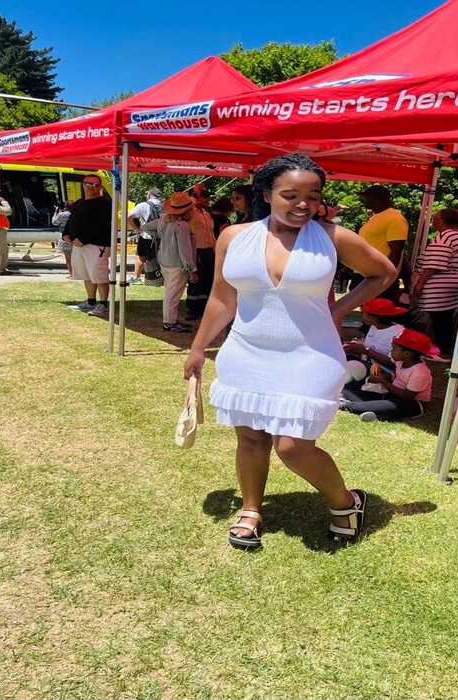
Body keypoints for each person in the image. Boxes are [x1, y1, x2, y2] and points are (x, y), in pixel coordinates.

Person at [183, 153, 396, 550]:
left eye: (313, 197)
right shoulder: (234, 236)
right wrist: (198, 349)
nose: (303, 205)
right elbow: (222, 298)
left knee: (293, 446)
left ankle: (346, 502)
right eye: (291, 195)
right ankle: (251, 509)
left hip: (311, 353)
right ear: (267, 193)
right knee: (250, 438)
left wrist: (339, 310)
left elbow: (383, 273)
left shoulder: (333, 236)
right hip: (246, 351)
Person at [412, 208, 458, 361]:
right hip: (457, 280)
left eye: (434, 219)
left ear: (441, 222)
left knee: (441, 319)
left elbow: (435, 264)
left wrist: (420, 282)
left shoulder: (445, 237)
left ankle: (442, 351)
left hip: (442, 284)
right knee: (445, 318)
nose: (432, 221)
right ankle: (442, 348)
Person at [340, 329, 433, 422]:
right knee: (348, 388)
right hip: (391, 394)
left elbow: (407, 396)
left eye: (393, 349)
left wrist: (383, 381)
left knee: (397, 405)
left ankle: (346, 405)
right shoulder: (401, 361)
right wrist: (387, 377)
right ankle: (374, 411)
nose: (391, 351)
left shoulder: (420, 373)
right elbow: (399, 374)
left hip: (411, 403)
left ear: (407, 354)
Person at [139, 192, 198, 333]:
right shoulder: (182, 225)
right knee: (173, 296)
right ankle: (169, 322)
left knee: (170, 293)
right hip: (177, 264)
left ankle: (171, 320)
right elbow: (184, 249)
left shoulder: (164, 220)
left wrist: (159, 236)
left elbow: (145, 227)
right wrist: (192, 269)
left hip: (164, 261)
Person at [63, 175, 112, 317]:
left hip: (97, 246)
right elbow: (71, 220)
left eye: (95, 184)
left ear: (100, 187)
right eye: (88, 184)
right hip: (78, 246)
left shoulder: (105, 204)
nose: (91, 187)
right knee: (87, 275)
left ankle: (103, 304)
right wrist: (65, 234)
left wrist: (83, 239)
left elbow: (102, 225)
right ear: (83, 185)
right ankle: (91, 301)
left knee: (99, 275)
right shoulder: (80, 202)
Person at [352, 184, 409, 303]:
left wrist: (386, 279)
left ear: (379, 198)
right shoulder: (375, 218)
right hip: (365, 275)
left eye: (367, 196)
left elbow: (396, 251)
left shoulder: (395, 218)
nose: (364, 199)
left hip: (378, 278)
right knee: (367, 311)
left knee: (377, 312)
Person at [185, 183, 216, 321]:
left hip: (209, 251)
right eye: (205, 196)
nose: (208, 199)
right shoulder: (189, 212)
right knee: (196, 281)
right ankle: (193, 309)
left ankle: (204, 308)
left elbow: (211, 233)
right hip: (196, 251)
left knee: (208, 281)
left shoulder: (206, 213)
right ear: (196, 196)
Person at [127, 187, 163, 284]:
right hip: (161, 237)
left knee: (140, 256)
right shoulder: (164, 206)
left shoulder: (142, 205)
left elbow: (128, 217)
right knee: (160, 257)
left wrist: (136, 228)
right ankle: (161, 278)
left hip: (146, 235)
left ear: (149, 194)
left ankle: (136, 278)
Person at [52, 201, 74, 278]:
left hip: (65, 237)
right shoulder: (75, 214)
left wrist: (56, 212)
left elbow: (54, 222)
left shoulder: (62, 214)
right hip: (75, 237)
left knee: (68, 259)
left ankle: (72, 274)